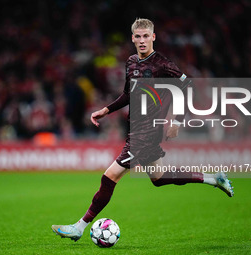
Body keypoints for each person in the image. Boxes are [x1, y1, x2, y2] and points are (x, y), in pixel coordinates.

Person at [51, 18, 234, 241]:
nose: (142, 40)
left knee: (109, 177)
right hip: (136, 130)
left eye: (146, 36)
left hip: (146, 134)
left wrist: (177, 120)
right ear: (133, 38)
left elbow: (188, 87)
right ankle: (214, 179)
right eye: (138, 36)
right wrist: (106, 110)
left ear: (153, 37)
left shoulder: (163, 64)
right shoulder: (131, 62)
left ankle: (79, 227)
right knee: (158, 178)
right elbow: (129, 94)